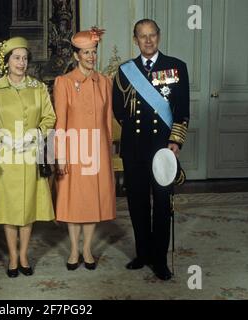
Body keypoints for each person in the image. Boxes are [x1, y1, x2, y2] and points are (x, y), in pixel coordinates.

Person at [112, 19, 190, 280]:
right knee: (137, 203)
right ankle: (142, 253)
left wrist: (175, 142)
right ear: (135, 40)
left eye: (152, 35)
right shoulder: (125, 70)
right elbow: (118, 110)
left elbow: (182, 110)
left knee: (162, 205)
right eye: (142, 36)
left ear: (159, 36)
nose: (148, 41)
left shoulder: (176, 67)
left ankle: (159, 259)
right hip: (133, 148)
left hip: (162, 149)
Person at [0, 37, 56, 278]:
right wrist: (2, 137)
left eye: (25, 58)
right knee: (10, 208)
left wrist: (36, 133)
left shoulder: (39, 88)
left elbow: (49, 118)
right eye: (16, 58)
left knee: (28, 208)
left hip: (31, 156)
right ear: (7, 61)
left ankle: (24, 254)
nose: (21, 63)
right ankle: (12, 256)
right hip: (5, 158)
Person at [53, 28, 116, 271]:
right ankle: (73, 250)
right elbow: (60, 122)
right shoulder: (64, 82)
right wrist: (59, 154)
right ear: (76, 55)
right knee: (73, 200)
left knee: (91, 201)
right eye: (86, 53)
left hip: (97, 149)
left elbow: (108, 120)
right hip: (74, 148)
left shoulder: (104, 82)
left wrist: (107, 151)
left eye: (93, 52)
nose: (91, 57)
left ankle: (87, 249)